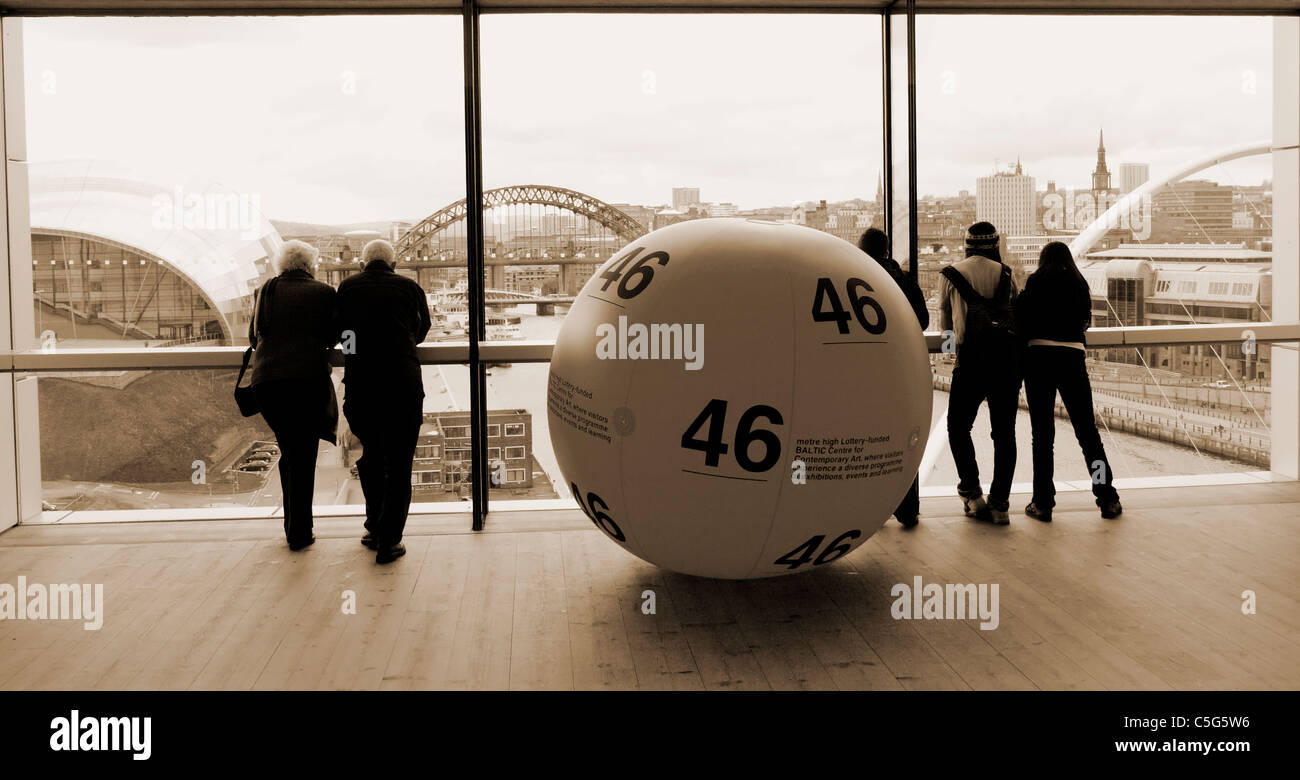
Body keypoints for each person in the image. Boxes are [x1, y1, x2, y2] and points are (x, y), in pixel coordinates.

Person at [336, 239, 432, 564]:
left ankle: (374, 528)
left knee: (373, 459)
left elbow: (343, 333)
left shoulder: (347, 288)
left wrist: (355, 358)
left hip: (362, 388)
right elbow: (423, 330)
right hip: (403, 386)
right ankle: (390, 541)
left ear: (363, 263)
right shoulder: (409, 288)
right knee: (401, 464)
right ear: (393, 264)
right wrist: (402, 344)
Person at [1013, 241, 1122, 522]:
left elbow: (1021, 319)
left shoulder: (1036, 281)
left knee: (1043, 437)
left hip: (1038, 359)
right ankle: (1106, 496)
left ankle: (1043, 502)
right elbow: (1085, 322)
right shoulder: (1079, 283)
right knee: (1088, 434)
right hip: (1072, 358)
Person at [248, 239, 339, 550]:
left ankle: (296, 529)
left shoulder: (266, 290)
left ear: (281, 264)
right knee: (303, 456)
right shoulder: (324, 293)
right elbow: (334, 336)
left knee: (290, 453)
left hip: (268, 384)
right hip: (306, 383)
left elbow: (253, 336)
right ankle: (299, 531)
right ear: (310, 266)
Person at [939, 221, 1020, 525]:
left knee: (958, 428)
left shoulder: (950, 274)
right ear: (995, 244)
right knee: (1004, 433)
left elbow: (945, 317)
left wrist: (949, 354)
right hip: (1005, 363)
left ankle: (972, 494)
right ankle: (1000, 504)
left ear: (967, 244)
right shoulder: (1007, 274)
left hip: (971, 361)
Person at [859, 227, 929, 528]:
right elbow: (923, 321)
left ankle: (873, 509)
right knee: (905, 440)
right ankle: (908, 508)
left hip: (870, 372)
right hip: (903, 370)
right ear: (887, 251)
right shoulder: (905, 280)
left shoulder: (860, 278)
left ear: (862, 251)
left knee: (869, 441)